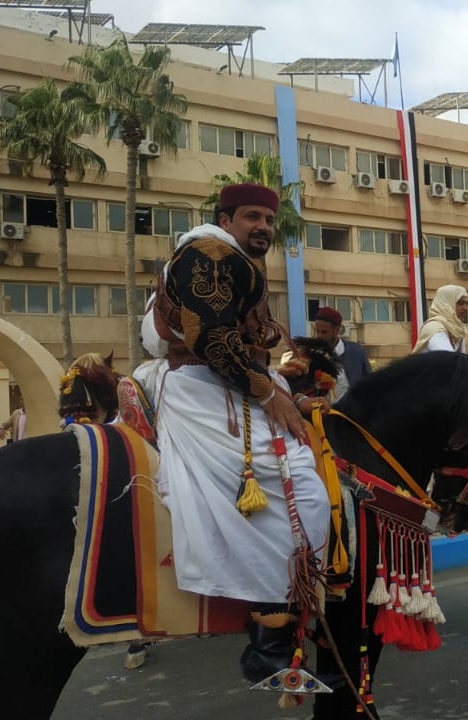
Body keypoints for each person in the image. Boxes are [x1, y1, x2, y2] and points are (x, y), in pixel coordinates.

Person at [137, 183, 330, 683]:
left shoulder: (228, 257)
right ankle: (269, 643)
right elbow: (216, 342)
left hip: (227, 384)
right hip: (209, 389)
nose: (263, 227)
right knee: (305, 495)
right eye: (251, 217)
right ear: (225, 220)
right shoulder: (208, 252)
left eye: (268, 219)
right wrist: (271, 394)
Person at [312, 306, 371, 401]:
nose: (319, 336)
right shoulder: (311, 355)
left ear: (337, 329)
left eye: (324, 332)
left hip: (350, 413)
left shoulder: (356, 352)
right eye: (317, 331)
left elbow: (368, 384)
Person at [411, 284, 468, 354]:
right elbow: (448, 358)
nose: (466, 308)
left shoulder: (457, 329)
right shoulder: (434, 328)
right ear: (445, 304)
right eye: (460, 303)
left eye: (467, 303)